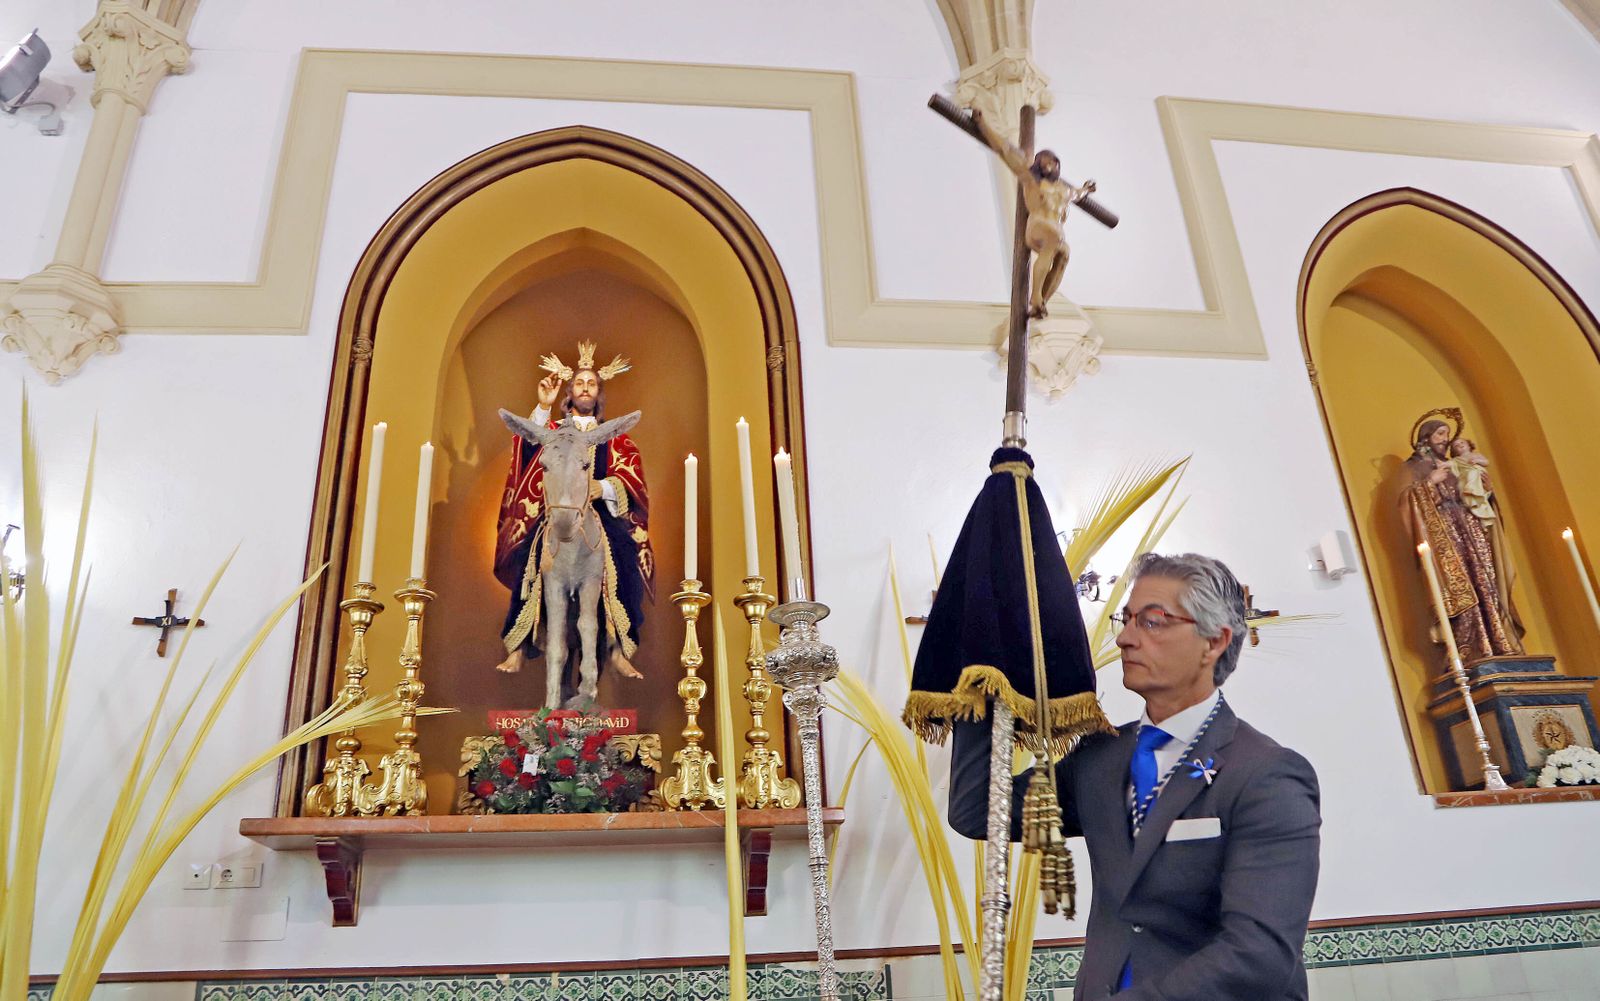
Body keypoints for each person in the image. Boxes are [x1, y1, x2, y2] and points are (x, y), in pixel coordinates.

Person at [949, 552, 1321, 1000]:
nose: (1125, 638)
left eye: (1152, 621)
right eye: (1125, 620)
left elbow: (1258, 954)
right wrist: (984, 680)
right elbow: (978, 811)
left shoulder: (1267, 774)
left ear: (1214, 642)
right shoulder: (1101, 758)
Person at [493, 342, 654, 685]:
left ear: (599, 393)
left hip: (600, 515)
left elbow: (634, 480)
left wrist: (606, 487)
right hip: (556, 513)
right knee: (528, 557)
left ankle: (617, 650)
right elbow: (528, 447)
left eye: (591, 383)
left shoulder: (616, 439)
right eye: (579, 382)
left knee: (625, 556)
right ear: (569, 391)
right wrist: (542, 406)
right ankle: (519, 643)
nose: (585, 388)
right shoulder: (553, 431)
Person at [1403, 418, 1521, 662]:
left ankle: (1500, 637)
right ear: (1425, 438)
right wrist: (1429, 483)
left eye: (1446, 434)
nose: (1444, 439)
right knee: (1460, 584)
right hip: (1445, 531)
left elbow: (1475, 493)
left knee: (1487, 578)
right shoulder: (1416, 467)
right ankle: (1466, 646)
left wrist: (1486, 491)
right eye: (1439, 434)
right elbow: (1408, 502)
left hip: (1471, 523)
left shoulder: (1457, 464)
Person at [972, 108, 1097, 318]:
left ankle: (1041, 303)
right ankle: (1035, 295)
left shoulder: (1065, 190)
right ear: (1037, 164)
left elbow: (1079, 194)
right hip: (1037, 228)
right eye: (1043, 160)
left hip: (1054, 234)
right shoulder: (1031, 181)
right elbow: (1004, 150)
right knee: (1054, 236)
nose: (1048, 164)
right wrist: (982, 124)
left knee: (1064, 254)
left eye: (1052, 161)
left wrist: (1086, 188)